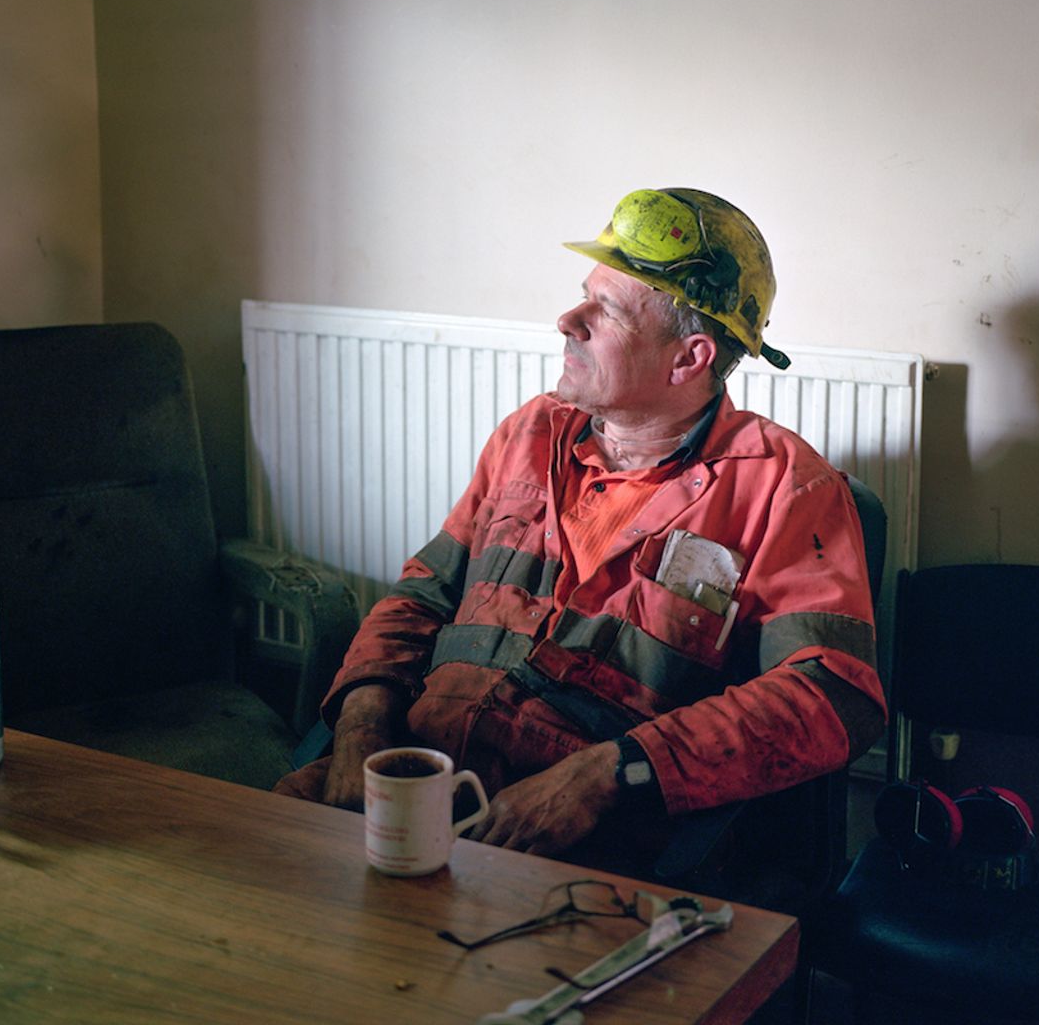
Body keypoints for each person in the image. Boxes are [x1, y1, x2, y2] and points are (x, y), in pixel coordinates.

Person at [276, 188, 886, 873]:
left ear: (688, 359)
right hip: (404, 778)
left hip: (572, 850)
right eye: (582, 296)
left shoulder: (784, 486)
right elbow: (423, 594)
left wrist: (607, 775)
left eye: (608, 311)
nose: (568, 320)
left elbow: (832, 697)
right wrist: (360, 729)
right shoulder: (528, 435)